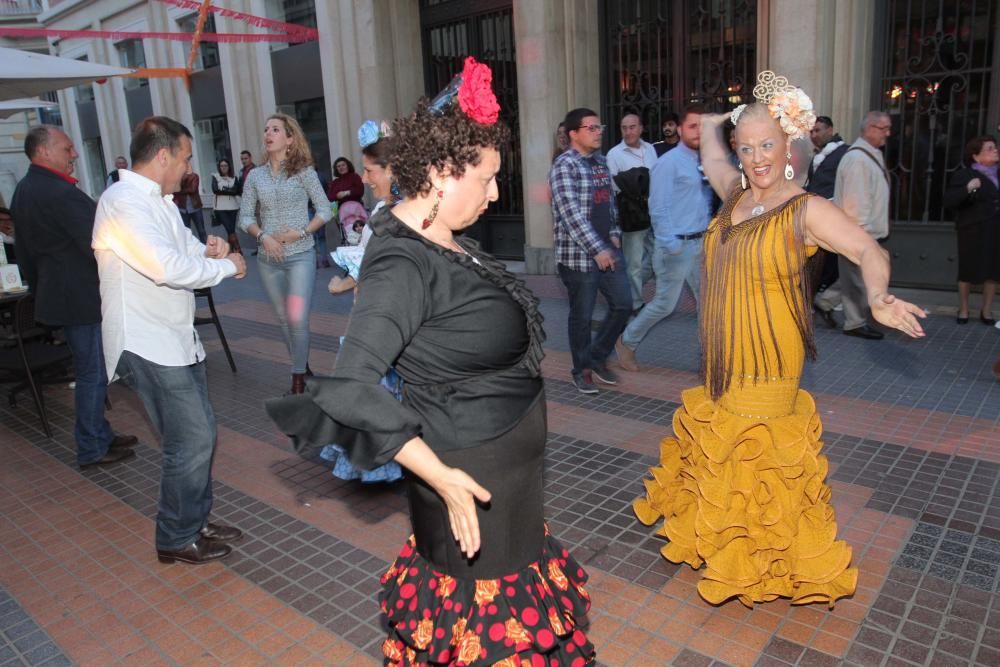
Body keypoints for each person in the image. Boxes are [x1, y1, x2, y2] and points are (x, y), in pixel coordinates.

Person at [266, 57, 593, 665]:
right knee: (486, 643)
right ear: (444, 173)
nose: (497, 194)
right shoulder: (403, 261)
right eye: (490, 178)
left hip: (507, 484)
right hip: (467, 484)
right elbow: (351, 388)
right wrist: (439, 477)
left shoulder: (445, 239)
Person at [633, 72, 925, 608]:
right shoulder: (736, 195)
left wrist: (879, 297)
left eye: (767, 144)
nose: (756, 157)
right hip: (722, 357)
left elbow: (868, 251)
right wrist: (739, 113)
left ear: (790, 143)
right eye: (746, 148)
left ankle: (766, 560)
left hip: (770, 358)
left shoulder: (806, 209)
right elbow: (712, 150)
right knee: (727, 448)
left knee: (757, 455)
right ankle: (727, 546)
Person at [93, 116, 247, 564]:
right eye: (183, 157)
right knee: (191, 438)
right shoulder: (122, 201)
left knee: (199, 434)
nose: (186, 167)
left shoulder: (156, 201)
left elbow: (184, 250)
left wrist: (211, 249)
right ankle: (177, 535)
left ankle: (194, 520)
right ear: (162, 156)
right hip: (146, 340)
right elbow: (165, 267)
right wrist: (228, 267)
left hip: (173, 339)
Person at [10, 125, 137, 468]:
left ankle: (100, 432)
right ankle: (91, 446)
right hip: (81, 297)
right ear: (44, 152)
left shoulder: (24, 189)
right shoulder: (59, 192)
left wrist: (41, 291)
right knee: (93, 372)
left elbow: (24, 254)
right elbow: (101, 239)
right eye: (67, 149)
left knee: (91, 369)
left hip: (60, 295)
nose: (74, 155)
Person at [319, 120, 404, 485]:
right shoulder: (390, 210)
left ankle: (389, 460)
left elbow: (378, 264)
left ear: (392, 170)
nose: (365, 178)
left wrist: (343, 284)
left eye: (371, 170)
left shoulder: (394, 214)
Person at [238, 113, 333, 394]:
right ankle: (301, 367)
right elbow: (245, 217)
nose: (268, 134)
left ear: (290, 139)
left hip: (301, 255)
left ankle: (297, 382)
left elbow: (326, 210)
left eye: (275, 130)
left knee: (297, 318)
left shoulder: (305, 172)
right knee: (282, 319)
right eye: (266, 129)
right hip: (269, 261)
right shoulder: (254, 176)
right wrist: (262, 236)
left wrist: (302, 232)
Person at [616, 104, 713, 373]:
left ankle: (711, 359)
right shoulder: (667, 163)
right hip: (675, 246)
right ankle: (626, 342)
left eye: (702, 126)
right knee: (664, 304)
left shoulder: (702, 161)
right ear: (680, 129)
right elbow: (657, 207)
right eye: (693, 126)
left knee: (709, 304)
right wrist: (670, 243)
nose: (698, 131)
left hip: (700, 243)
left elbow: (702, 202)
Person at [550, 107, 632, 394]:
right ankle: (582, 369)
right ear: (574, 133)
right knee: (582, 316)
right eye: (592, 128)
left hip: (608, 250)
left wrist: (614, 233)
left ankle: (597, 357)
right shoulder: (564, 166)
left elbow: (608, 202)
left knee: (624, 304)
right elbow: (570, 213)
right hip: (579, 257)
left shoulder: (601, 163)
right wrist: (598, 248)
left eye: (600, 127)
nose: (598, 133)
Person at [813, 111, 893, 339]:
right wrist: (860, 237)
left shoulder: (867, 155)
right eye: (883, 128)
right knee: (860, 278)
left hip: (863, 232)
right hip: (859, 232)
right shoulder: (858, 159)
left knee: (854, 276)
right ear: (869, 128)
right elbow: (855, 202)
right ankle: (855, 322)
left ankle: (825, 301)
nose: (888, 133)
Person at [943, 136, 999, 325]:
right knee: (967, 269)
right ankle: (964, 309)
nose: (995, 150)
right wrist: (967, 188)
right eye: (990, 148)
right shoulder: (965, 175)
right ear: (976, 156)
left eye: (995, 147)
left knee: (993, 270)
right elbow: (950, 201)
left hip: (995, 227)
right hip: (972, 228)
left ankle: (987, 310)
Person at [606, 112, 657, 314]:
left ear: (641, 128)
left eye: (632, 127)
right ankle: (635, 303)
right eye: (624, 128)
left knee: (657, 258)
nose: (628, 132)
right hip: (633, 214)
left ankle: (627, 289)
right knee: (634, 262)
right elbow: (613, 187)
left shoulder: (651, 149)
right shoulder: (614, 154)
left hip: (655, 213)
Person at [805, 116, 850, 314]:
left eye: (818, 130)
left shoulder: (844, 153)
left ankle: (824, 298)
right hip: (815, 217)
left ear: (830, 130)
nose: (814, 135)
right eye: (811, 131)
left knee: (833, 261)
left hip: (833, 217)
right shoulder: (818, 156)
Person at [211, 158, 242, 255]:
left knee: (231, 230)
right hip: (220, 208)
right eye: (222, 166)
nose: (223, 168)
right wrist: (230, 191)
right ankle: (237, 249)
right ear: (219, 167)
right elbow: (215, 190)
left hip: (233, 207)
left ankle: (230, 250)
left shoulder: (234, 178)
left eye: (225, 165)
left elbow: (237, 191)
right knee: (230, 229)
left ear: (229, 167)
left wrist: (224, 190)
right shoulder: (215, 177)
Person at [174, 168, 206, 243]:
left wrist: (180, 190)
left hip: (195, 208)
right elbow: (175, 190)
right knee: (186, 232)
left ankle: (206, 250)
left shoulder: (194, 176)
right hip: (183, 209)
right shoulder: (178, 178)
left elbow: (192, 189)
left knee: (201, 231)